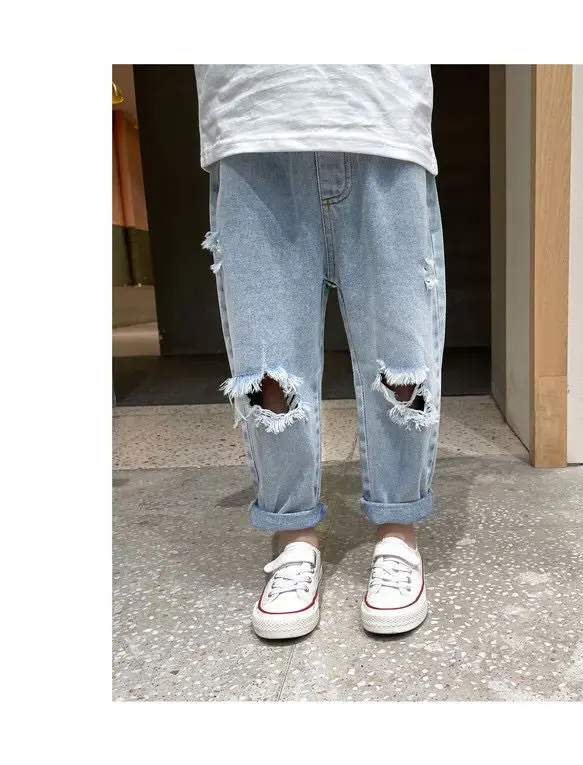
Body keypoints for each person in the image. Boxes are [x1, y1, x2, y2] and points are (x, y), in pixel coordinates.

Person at [194, 65, 446, 638]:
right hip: (254, 115)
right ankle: (293, 536)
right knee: (269, 369)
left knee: (401, 359)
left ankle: (398, 530)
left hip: (380, 110)